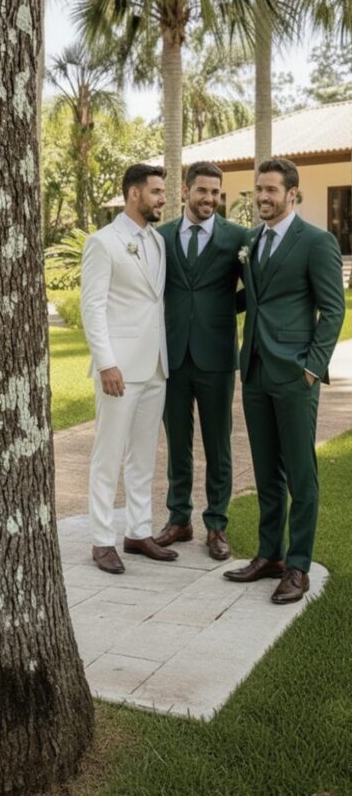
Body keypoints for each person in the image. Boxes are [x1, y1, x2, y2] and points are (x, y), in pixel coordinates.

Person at [224, 158, 345, 603]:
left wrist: (312, 366)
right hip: (254, 370)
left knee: (300, 473)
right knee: (265, 470)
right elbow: (249, 298)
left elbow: (334, 309)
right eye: (259, 190)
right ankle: (269, 554)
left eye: (271, 190)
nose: (262, 198)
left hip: (295, 374)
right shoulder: (252, 239)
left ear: (292, 193)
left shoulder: (317, 241)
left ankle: (298, 566)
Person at [81, 163, 177, 575]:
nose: (161, 199)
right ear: (133, 194)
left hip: (156, 365)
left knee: (143, 457)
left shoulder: (156, 241)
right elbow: (93, 307)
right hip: (118, 369)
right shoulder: (103, 242)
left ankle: (138, 532)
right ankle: (102, 540)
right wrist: (107, 363)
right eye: (156, 192)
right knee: (108, 456)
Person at [153, 161, 245, 561]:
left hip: (217, 356)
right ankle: (179, 518)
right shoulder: (160, 238)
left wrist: (225, 308)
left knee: (217, 443)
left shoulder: (239, 238)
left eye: (215, 192)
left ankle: (217, 524)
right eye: (202, 191)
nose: (209, 198)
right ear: (186, 191)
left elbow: (257, 290)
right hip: (172, 357)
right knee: (177, 443)